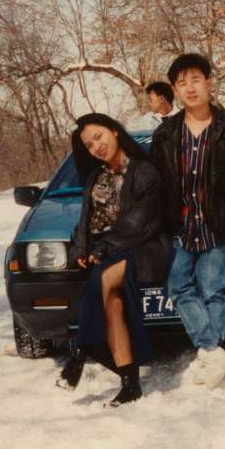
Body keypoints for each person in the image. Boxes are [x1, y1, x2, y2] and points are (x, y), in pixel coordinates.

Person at [149, 54, 225, 388]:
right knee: (179, 286)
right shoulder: (166, 134)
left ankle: (210, 355)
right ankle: (212, 349)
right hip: (181, 228)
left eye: (195, 79)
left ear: (209, 83)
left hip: (217, 227)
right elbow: (155, 181)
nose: (190, 88)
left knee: (213, 291)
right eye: (182, 83)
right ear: (175, 90)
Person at [57, 113, 170, 406]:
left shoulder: (144, 170)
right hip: (105, 250)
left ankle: (80, 352)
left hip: (141, 246)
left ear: (115, 132)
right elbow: (86, 221)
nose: (96, 146)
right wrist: (80, 249)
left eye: (99, 136)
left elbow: (141, 221)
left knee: (105, 278)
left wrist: (103, 247)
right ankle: (130, 384)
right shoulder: (96, 176)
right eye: (89, 144)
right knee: (114, 303)